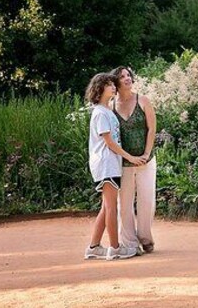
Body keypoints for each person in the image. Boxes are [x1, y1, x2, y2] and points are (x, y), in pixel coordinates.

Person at [83, 72, 146, 261]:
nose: (113, 87)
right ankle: (115, 248)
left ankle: (93, 247)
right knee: (111, 208)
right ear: (100, 88)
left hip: (111, 165)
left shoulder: (107, 111)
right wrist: (131, 158)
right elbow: (109, 142)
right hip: (106, 165)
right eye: (109, 85)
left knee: (106, 207)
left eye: (113, 84)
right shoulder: (100, 113)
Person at [112, 66, 158, 254]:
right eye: (122, 76)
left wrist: (146, 154)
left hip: (146, 160)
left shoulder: (143, 100)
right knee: (124, 203)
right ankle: (129, 242)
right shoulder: (111, 106)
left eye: (128, 75)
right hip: (123, 162)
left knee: (147, 199)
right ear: (116, 82)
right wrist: (127, 157)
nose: (127, 78)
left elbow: (152, 129)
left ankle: (146, 238)